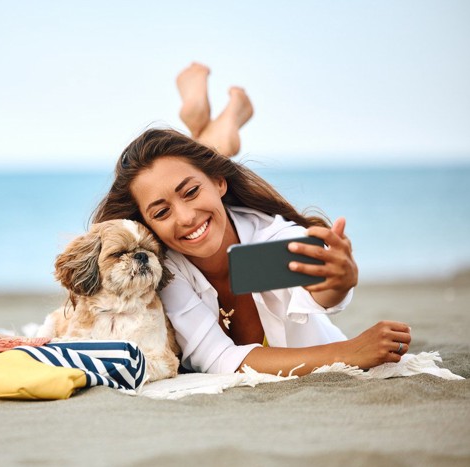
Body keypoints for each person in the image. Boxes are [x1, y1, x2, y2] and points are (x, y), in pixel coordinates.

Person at [91, 62, 412, 376]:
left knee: (196, 170)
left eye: (190, 192)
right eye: (161, 212)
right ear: (147, 225)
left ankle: (220, 128)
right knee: (190, 170)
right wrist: (348, 352)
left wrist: (339, 283)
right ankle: (222, 128)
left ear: (220, 182)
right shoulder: (168, 270)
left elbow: (314, 293)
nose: (186, 217)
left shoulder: (269, 235)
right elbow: (219, 358)